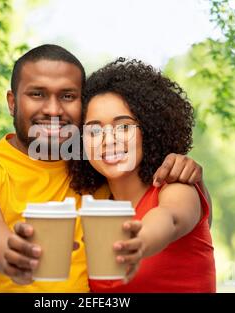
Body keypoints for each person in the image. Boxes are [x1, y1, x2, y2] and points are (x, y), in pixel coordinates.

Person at [0, 44, 211, 292]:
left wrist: (190, 178)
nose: (53, 110)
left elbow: (176, 218)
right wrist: (9, 255)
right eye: (37, 94)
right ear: (12, 102)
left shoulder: (103, 182)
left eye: (68, 96)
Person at [68, 58, 215, 292]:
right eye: (94, 130)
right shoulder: (95, 208)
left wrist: (139, 242)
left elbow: (171, 218)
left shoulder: (176, 186)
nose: (108, 140)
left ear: (149, 129)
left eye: (123, 126)